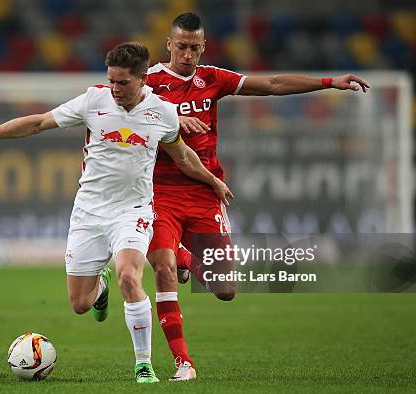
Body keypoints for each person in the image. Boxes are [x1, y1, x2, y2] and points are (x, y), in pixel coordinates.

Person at [0, 42, 233, 384]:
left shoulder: (162, 113)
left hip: (132, 212)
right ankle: (99, 290)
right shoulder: (94, 100)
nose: (115, 89)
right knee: (80, 304)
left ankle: (143, 365)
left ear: (142, 79)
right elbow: (39, 123)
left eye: (123, 83)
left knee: (130, 277)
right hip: (88, 213)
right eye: (112, 81)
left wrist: (212, 181)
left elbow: (183, 156)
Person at [145, 12, 371, 381]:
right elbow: (121, 111)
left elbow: (273, 84)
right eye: (181, 46)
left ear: (203, 47)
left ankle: (184, 259)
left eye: (194, 47)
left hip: (205, 191)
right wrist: (168, 116)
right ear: (169, 45)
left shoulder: (212, 78)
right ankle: (184, 364)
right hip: (159, 192)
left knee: (225, 289)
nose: (187, 54)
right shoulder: (148, 82)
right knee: (163, 268)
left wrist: (329, 82)